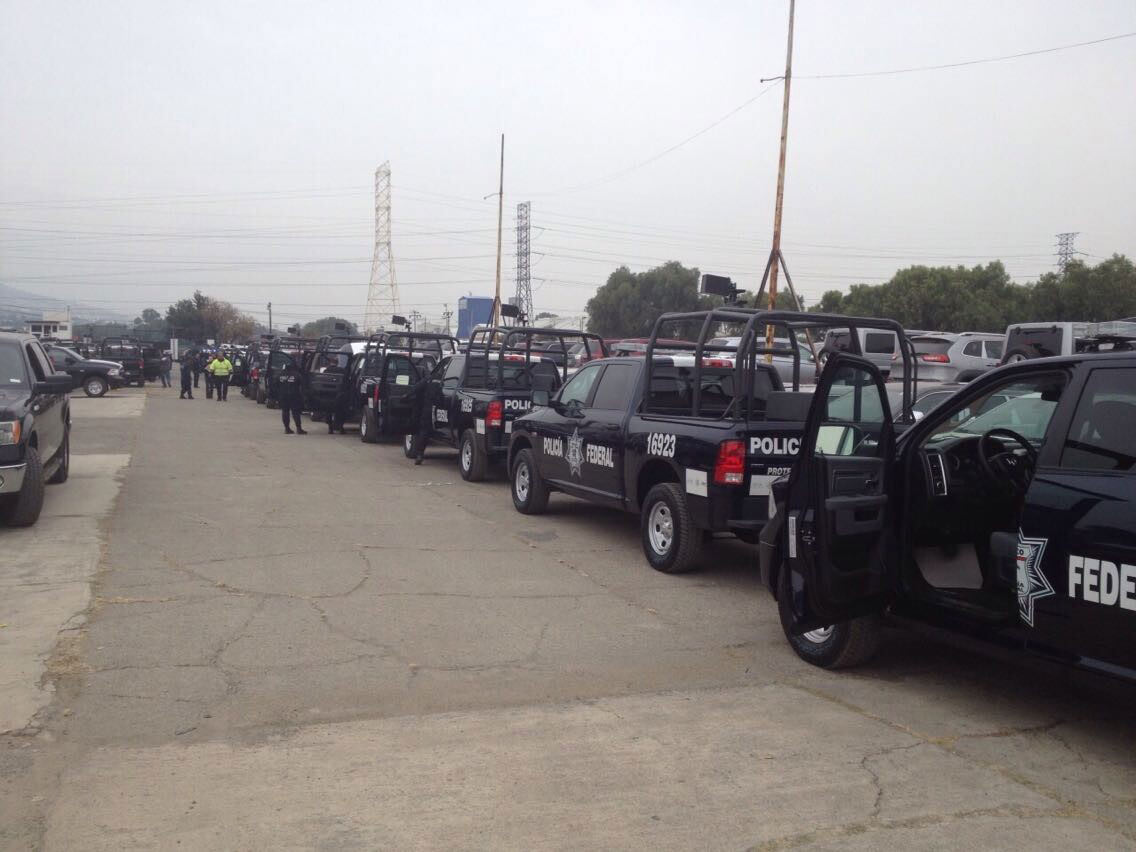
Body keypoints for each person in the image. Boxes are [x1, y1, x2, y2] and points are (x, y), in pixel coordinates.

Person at [403, 368, 433, 465]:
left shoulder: (424, 381)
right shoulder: (434, 382)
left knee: (420, 431)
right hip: (432, 410)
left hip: (424, 410)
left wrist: (405, 396)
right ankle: (419, 453)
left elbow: (414, 389)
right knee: (424, 432)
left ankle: (419, 454)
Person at [278, 361, 307, 434]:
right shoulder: (297, 375)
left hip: (283, 396)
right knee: (296, 412)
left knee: (285, 412)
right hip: (294, 396)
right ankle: (299, 429)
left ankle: (287, 429)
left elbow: (275, 385)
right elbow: (303, 385)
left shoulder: (280, 375)